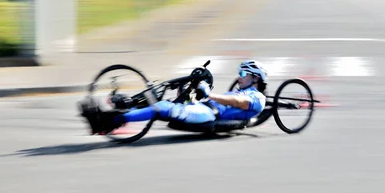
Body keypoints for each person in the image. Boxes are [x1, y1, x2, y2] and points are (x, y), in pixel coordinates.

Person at [80, 60, 268, 135]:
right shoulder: (238, 90)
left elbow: (238, 103)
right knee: (165, 101)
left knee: (162, 109)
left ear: (255, 77)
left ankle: (110, 121)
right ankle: (116, 111)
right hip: (202, 108)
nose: (239, 76)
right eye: (239, 72)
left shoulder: (257, 97)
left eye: (243, 73)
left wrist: (209, 94)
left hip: (209, 115)